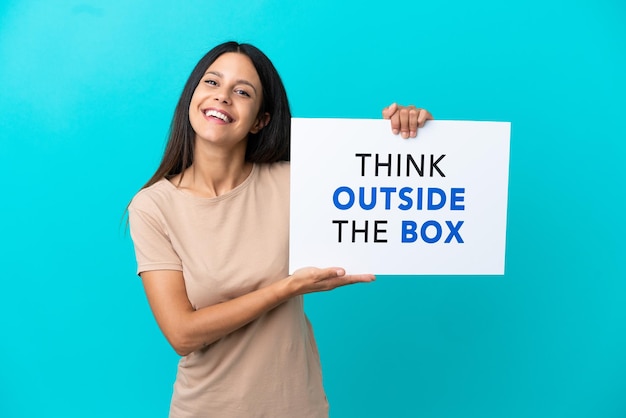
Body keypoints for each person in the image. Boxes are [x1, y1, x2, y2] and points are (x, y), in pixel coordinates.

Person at [128, 41, 433, 418]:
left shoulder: (299, 183)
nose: (222, 97)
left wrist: (406, 135)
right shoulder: (153, 207)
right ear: (192, 96)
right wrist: (288, 288)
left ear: (260, 120)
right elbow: (182, 334)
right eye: (211, 83)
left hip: (298, 407)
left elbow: (383, 183)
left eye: (242, 92)